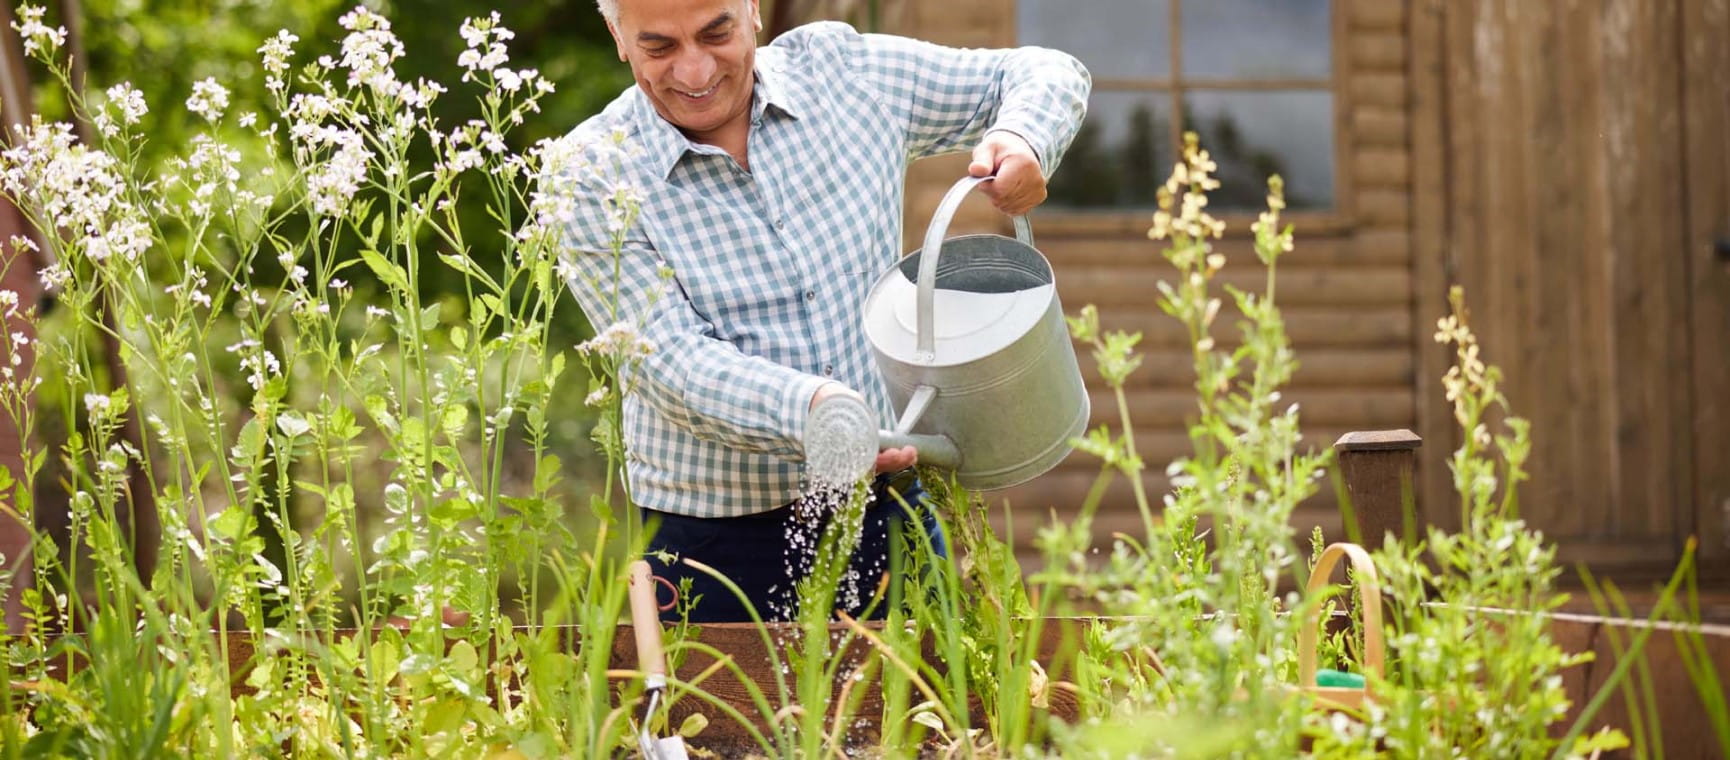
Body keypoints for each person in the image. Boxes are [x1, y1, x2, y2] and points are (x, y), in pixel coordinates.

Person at [546, 0, 1089, 622]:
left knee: (935, 715)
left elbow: (1045, 71)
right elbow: (668, 362)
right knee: (720, 721)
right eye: (659, 48)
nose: (694, 72)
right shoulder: (589, 174)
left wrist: (1023, 138)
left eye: (715, 32)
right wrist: (820, 412)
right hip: (716, 541)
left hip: (887, 509)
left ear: (752, 10)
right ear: (618, 37)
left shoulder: (847, 76)